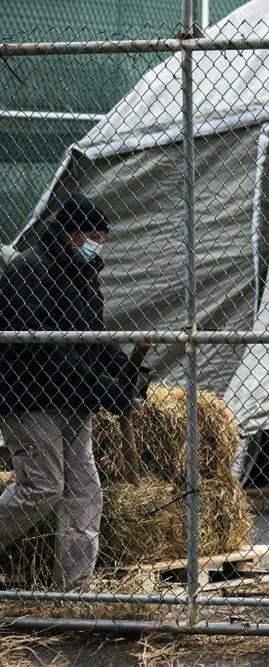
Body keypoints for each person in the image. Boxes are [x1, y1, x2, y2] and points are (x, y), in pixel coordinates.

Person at [0, 192, 134, 591]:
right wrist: (102, 386)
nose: (98, 244)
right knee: (43, 485)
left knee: (84, 489)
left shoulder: (84, 274)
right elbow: (44, 348)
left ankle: (73, 589)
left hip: (72, 399)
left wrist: (121, 366)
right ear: (69, 233)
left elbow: (89, 334)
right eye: (93, 235)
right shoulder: (31, 271)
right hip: (30, 398)